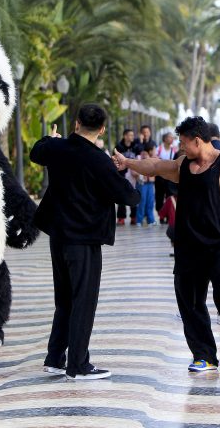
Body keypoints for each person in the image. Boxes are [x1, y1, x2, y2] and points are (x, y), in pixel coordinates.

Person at [113, 116, 220, 373]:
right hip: (188, 246)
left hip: (218, 245)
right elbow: (155, 166)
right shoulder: (183, 165)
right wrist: (128, 162)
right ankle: (204, 355)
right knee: (190, 303)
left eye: (184, 143)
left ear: (197, 141)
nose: (181, 147)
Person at [30, 104, 140, 380]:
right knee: (83, 301)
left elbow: (36, 151)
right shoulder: (99, 160)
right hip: (84, 240)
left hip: (59, 237)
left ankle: (55, 358)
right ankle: (78, 365)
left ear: (77, 123)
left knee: (65, 300)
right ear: (102, 129)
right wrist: (121, 170)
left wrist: (51, 138)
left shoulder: (57, 148)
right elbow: (129, 197)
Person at [115, 129, 138, 225]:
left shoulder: (136, 146)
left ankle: (134, 217)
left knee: (133, 194)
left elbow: (140, 157)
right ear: (125, 136)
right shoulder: (119, 147)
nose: (132, 137)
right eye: (130, 135)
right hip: (122, 175)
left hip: (133, 175)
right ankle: (121, 217)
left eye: (133, 135)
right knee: (122, 195)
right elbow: (115, 159)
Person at [132, 142, 157, 226]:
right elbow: (133, 171)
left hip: (150, 183)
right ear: (150, 150)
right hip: (142, 183)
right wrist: (141, 174)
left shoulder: (153, 158)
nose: (155, 151)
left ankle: (151, 220)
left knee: (150, 202)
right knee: (142, 202)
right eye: (154, 149)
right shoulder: (138, 158)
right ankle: (139, 220)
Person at [155, 132, 177, 221]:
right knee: (159, 196)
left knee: (170, 195)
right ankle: (160, 215)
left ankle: (169, 215)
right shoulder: (159, 149)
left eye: (172, 137)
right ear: (164, 139)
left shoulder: (174, 150)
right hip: (160, 175)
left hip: (170, 176)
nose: (171, 139)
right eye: (169, 137)